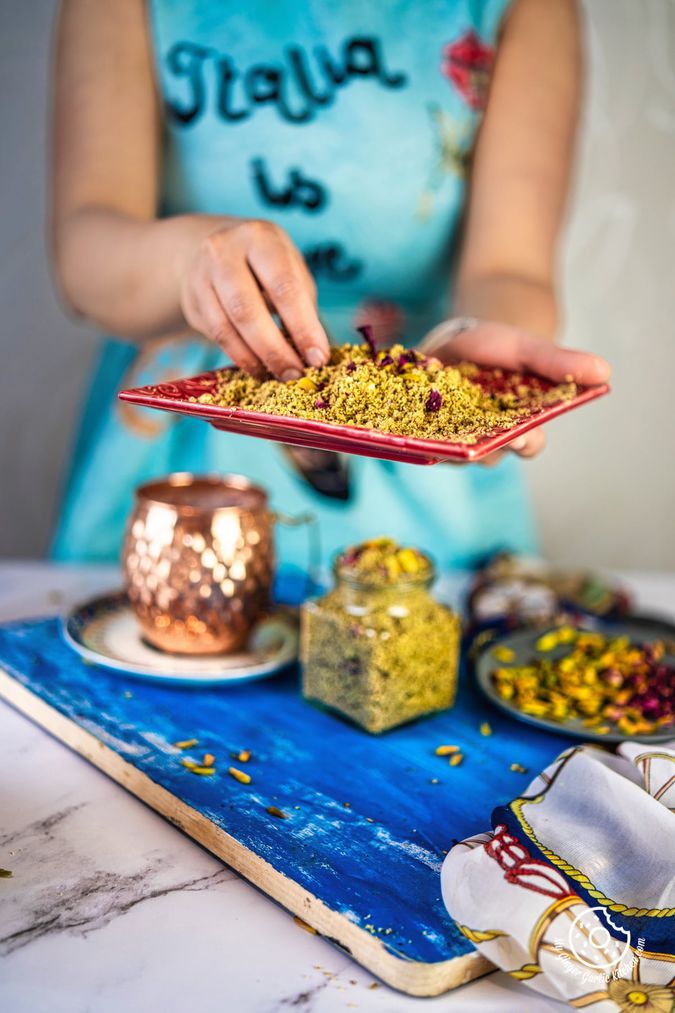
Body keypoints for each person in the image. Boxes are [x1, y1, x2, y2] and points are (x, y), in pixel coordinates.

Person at [49, 0, 610, 572]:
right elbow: (84, 257)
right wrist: (193, 261)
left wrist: (475, 367)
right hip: (185, 446)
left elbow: (509, 269)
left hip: (420, 414)